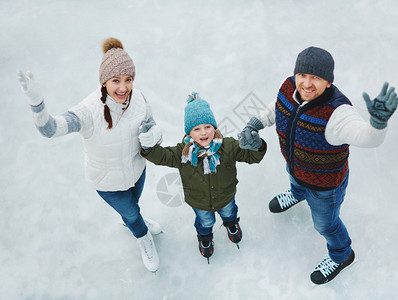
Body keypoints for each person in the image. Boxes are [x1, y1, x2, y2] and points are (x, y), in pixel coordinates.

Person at [238, 46, 398, 285]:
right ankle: (297, 193)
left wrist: (377, 123)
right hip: (296, 168)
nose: (307, 83)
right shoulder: (289, 87)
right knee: (295, 182)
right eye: (303, 75)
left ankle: (342, 255)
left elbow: (366, 137)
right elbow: (277, 107)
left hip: (325, 189)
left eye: (316, 77)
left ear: (329, 83)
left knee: (326, 224)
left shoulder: (338, 113)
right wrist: (255, 124)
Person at [17, 37, 164, 272]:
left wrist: (154, 135)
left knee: (132, 207)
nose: (123, 88)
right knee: (131, 213)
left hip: (137, 170)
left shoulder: (139, 98)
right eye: (116, 80)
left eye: (128, 80)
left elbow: (152, 125)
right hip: (108, 182)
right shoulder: (88, 111)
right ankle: (142, 236)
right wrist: (37, 104)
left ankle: (133, 221)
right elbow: (50, 129)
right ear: (104, 81)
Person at [138, 92, 267, 262]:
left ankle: (231, 224)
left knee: (230, 212)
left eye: (207, 127)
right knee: (204, 222)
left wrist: (257, 146)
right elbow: (162, 156)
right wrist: (148, 147)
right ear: (189, 133)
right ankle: (205, 238)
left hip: (226, 196)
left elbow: (251, 157)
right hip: (199, 201)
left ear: (214, 127)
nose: (203, 132)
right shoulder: (182, 154)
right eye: (197, 129)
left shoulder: (228, 146)